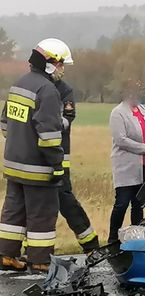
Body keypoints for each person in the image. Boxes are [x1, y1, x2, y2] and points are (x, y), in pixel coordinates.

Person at [0, 38, 72, 272]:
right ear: (51, 63)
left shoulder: (19, 84)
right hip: (38, 168)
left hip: (13, 165)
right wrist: (57, 165)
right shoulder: (48, 90)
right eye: (61, 64)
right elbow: (49, 135)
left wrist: (20, 142)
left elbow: (4, 124)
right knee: (42, 213)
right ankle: (40, 261)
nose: (63, 69)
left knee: (13, 211)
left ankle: (6, 255)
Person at [108, 79, 145, 243]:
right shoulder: (118, 113)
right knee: (122, 204)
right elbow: (120, 139)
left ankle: (136, 239)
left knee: (139, 204)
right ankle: (113, 238)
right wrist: (144, 148)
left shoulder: (143, 110)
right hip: (126, 167)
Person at [54, 79, 100, 253]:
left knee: (64, 197)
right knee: (34, 203)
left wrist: (44, 121)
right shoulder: (32, 86)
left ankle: (90, 244)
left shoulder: (63, 89)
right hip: (34, 158)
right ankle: (31, 252)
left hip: (58, 156)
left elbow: (67, 118)